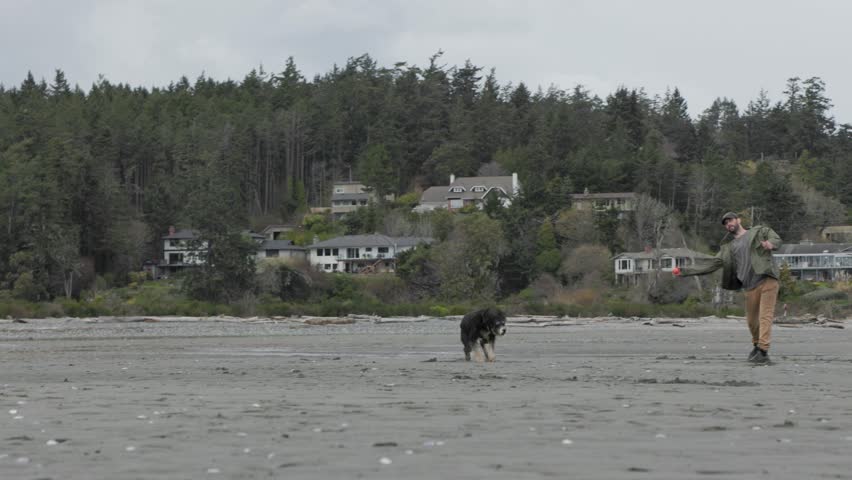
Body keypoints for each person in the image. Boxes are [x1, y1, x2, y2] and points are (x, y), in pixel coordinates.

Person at [675, 211, 782, 363]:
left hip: (767, 280)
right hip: (750, 286)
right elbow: (711, 264)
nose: (728, 224)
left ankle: (763, 351)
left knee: (765, 316)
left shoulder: (758, 232)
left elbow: (774, 238)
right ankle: (757, 345)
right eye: (725, 223)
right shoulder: (728, 249)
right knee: (752, 322)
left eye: (730, 220)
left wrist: (770, 244)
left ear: (738, 220)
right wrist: (685, 271)